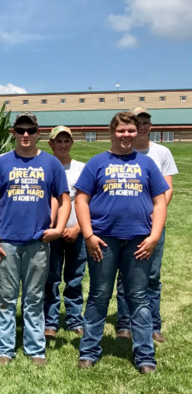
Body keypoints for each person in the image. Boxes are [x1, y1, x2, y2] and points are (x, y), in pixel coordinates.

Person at [76, 112, 168, 374]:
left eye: (130, 130)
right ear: (112, 132)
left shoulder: (147, 164)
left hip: (139, 240)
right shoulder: (96, 163)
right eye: (121, 131)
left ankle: (145, 357)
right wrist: (89, 235)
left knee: (139, 298)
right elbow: (81, 200)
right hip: (103, 241)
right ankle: (89, 351)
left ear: (137, 132)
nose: (126, 135)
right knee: (98, 295)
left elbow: (160, 202)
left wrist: (153, 237)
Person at [0, 112, 71, 366]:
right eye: (20, 130)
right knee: (6, 298)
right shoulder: (2, 163)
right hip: (6, 242)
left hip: (38, 243)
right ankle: (4, 348)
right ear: (13, 133)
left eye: (30, 131)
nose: (25, 135)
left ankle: (35, 349)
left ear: (38, 133)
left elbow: (65, 201)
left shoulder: (51, 165)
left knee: (34, 298)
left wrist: (58, 228)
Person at [116, 107, 177, 343]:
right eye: (137, 122)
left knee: (151, 275)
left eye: (145, 122)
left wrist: (154, 216)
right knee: (124, 276)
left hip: (152, 225)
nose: (142, 126)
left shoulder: (161, 152)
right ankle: (124, 323)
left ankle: (153, 324)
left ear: (150, 126)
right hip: (126, 226)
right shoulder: (121, 154)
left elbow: (167, 188)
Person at [43, 126, 87, 338]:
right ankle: (50, 321)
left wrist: (79, 227)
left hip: (77, 231)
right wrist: (54, 229)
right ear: (50, 143)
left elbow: (88, 201)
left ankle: (74, 319)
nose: (62, 145)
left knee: (75, 278)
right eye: (58, 141)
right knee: (50, 278)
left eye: (66, 141)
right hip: (51, 233)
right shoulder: (44, 167)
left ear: (71, 143)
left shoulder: (82, 168)